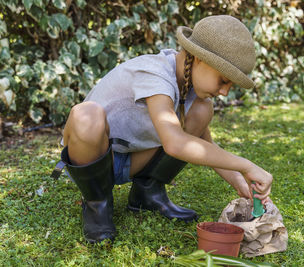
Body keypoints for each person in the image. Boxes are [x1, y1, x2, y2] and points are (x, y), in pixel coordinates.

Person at [52, 15, 273, 244]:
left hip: (130, 160)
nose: (225, 92)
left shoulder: (192, 91)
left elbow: (203, 144)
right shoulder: (155, 73)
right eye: (223, 80)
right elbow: (176, 143)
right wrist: (247, 165)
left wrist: (238, 180)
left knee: (202, 111)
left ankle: (147, 194)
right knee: (85, 114)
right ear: (199, 59)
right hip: (91, 159)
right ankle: (97, 204)